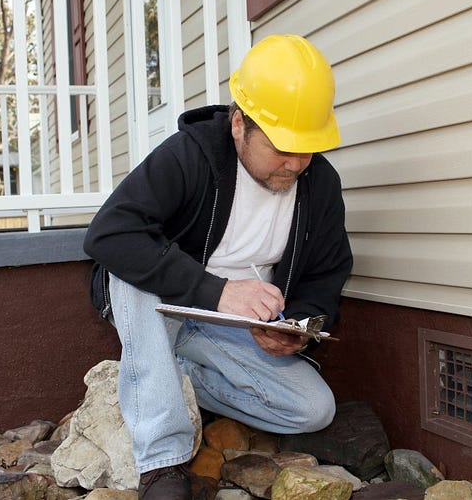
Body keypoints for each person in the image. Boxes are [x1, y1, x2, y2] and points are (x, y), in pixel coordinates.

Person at [83, 33, 353, 499]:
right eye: (281, 147)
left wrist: (299, 324)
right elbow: (110, 233)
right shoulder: (190, 155)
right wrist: (219, 291)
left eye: (306, 148)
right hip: (160, 305)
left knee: (313, 409)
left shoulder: (320, 184)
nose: (295, 163)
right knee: (131, 270)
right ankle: (162, 464)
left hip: (228, 331)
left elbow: (327, 272)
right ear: (238, 125)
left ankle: (164, 375)